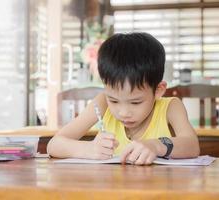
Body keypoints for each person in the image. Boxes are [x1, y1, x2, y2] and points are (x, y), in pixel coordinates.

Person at [47, 32, 200, 165]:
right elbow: (54, 145)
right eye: (113, 100)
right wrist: (88, 149)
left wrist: (156, 146)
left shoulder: (171, 107)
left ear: (158, 90)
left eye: (135, 102)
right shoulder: (101, 103)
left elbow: (192, 145)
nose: (123, 112)